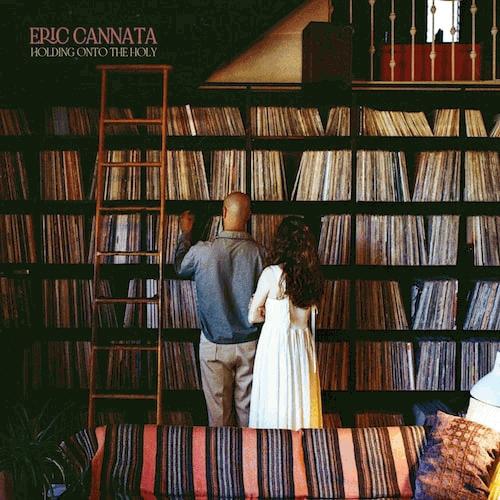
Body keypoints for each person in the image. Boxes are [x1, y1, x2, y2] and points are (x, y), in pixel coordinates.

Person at [174, 192, 265, 427]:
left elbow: (180, 268)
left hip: (214, 344)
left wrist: (185, 234)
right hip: (250, 345)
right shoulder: (260, 253)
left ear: (223, 212)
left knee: (218, 420)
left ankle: (223, 452)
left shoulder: (202, 251)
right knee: (249, 418)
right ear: (249, 216)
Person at [248, 216, 324, 430]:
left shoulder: (271, 274)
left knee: (274, 400)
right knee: (302, 399)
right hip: (302, 345)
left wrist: (266, 313)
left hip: (276, 346)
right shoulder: (312, 277)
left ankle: (274, 447)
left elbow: (252, 316)